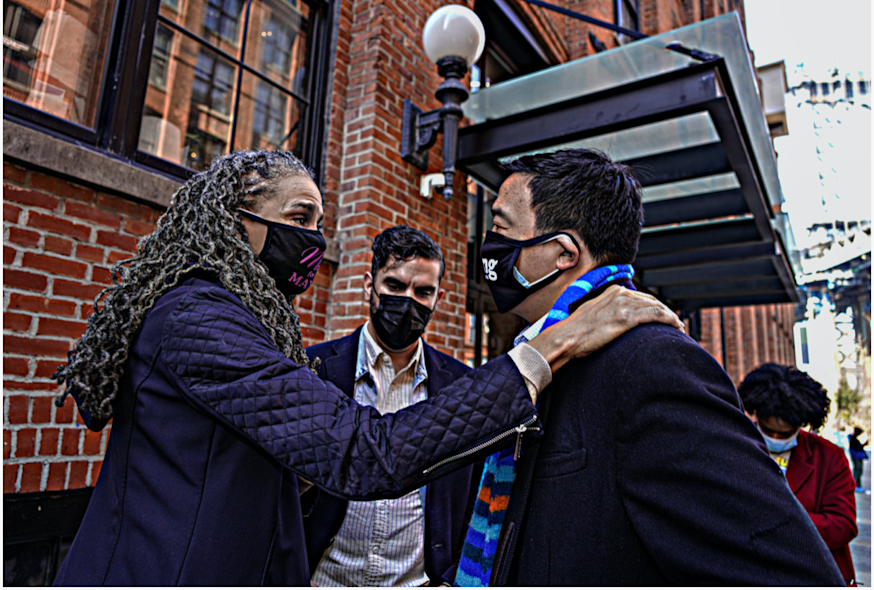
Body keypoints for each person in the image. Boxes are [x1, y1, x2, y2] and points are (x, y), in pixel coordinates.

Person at [49, 150, 683, 586]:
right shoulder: (198, 317)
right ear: (234, 218)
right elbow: (364, 453)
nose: (314, 242)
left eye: (321, 224)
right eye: (299, 220)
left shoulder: (246, 322)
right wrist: (546, 351)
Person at [453, 148, 845, 586]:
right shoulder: (547, 352)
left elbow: (792, 572)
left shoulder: (650, 362)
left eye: (501, 228)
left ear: (563, 252)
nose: (489, 244)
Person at [303, 225, 478, 586]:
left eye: (423, 291)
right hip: (324, 578)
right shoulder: (314, 368)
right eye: (395, 286)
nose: (408, 300)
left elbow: (467, 498)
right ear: (370, 285)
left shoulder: (461, 384)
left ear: (438, 297)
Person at [738, 363, 858, 585]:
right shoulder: (738, 449)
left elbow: (843, 524)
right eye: (767, 429)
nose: (775, 437)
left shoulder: (829, 457)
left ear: (801, 424)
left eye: (784, 433)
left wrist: (776, 522)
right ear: (756, 415)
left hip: (811, 574)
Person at [848, 427, 869, 492]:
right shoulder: (852, 439)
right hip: (856, 457)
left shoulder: (853, 439)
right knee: (857, 471)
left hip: (857, 457)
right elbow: (857, 448)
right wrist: (863, 445)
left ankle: (857, 485)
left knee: (858, 471)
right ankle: (855, 485)